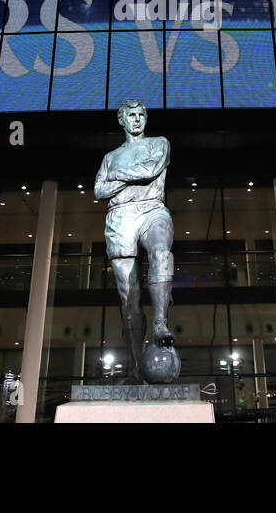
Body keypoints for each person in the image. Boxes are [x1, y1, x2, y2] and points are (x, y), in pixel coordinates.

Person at [93, 99, 174, 382]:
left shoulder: (159, 143)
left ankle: (161, 322)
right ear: (122, 120)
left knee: (161, 251)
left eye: (141, 114)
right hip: (120, 218)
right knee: (129, 297)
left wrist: (118, 178)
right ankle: (137, 368)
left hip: (152, 209)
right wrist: (125, 178)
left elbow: (150, 170)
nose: (137, 119)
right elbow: (99, 191)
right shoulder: (110, 157)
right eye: (131, 115)